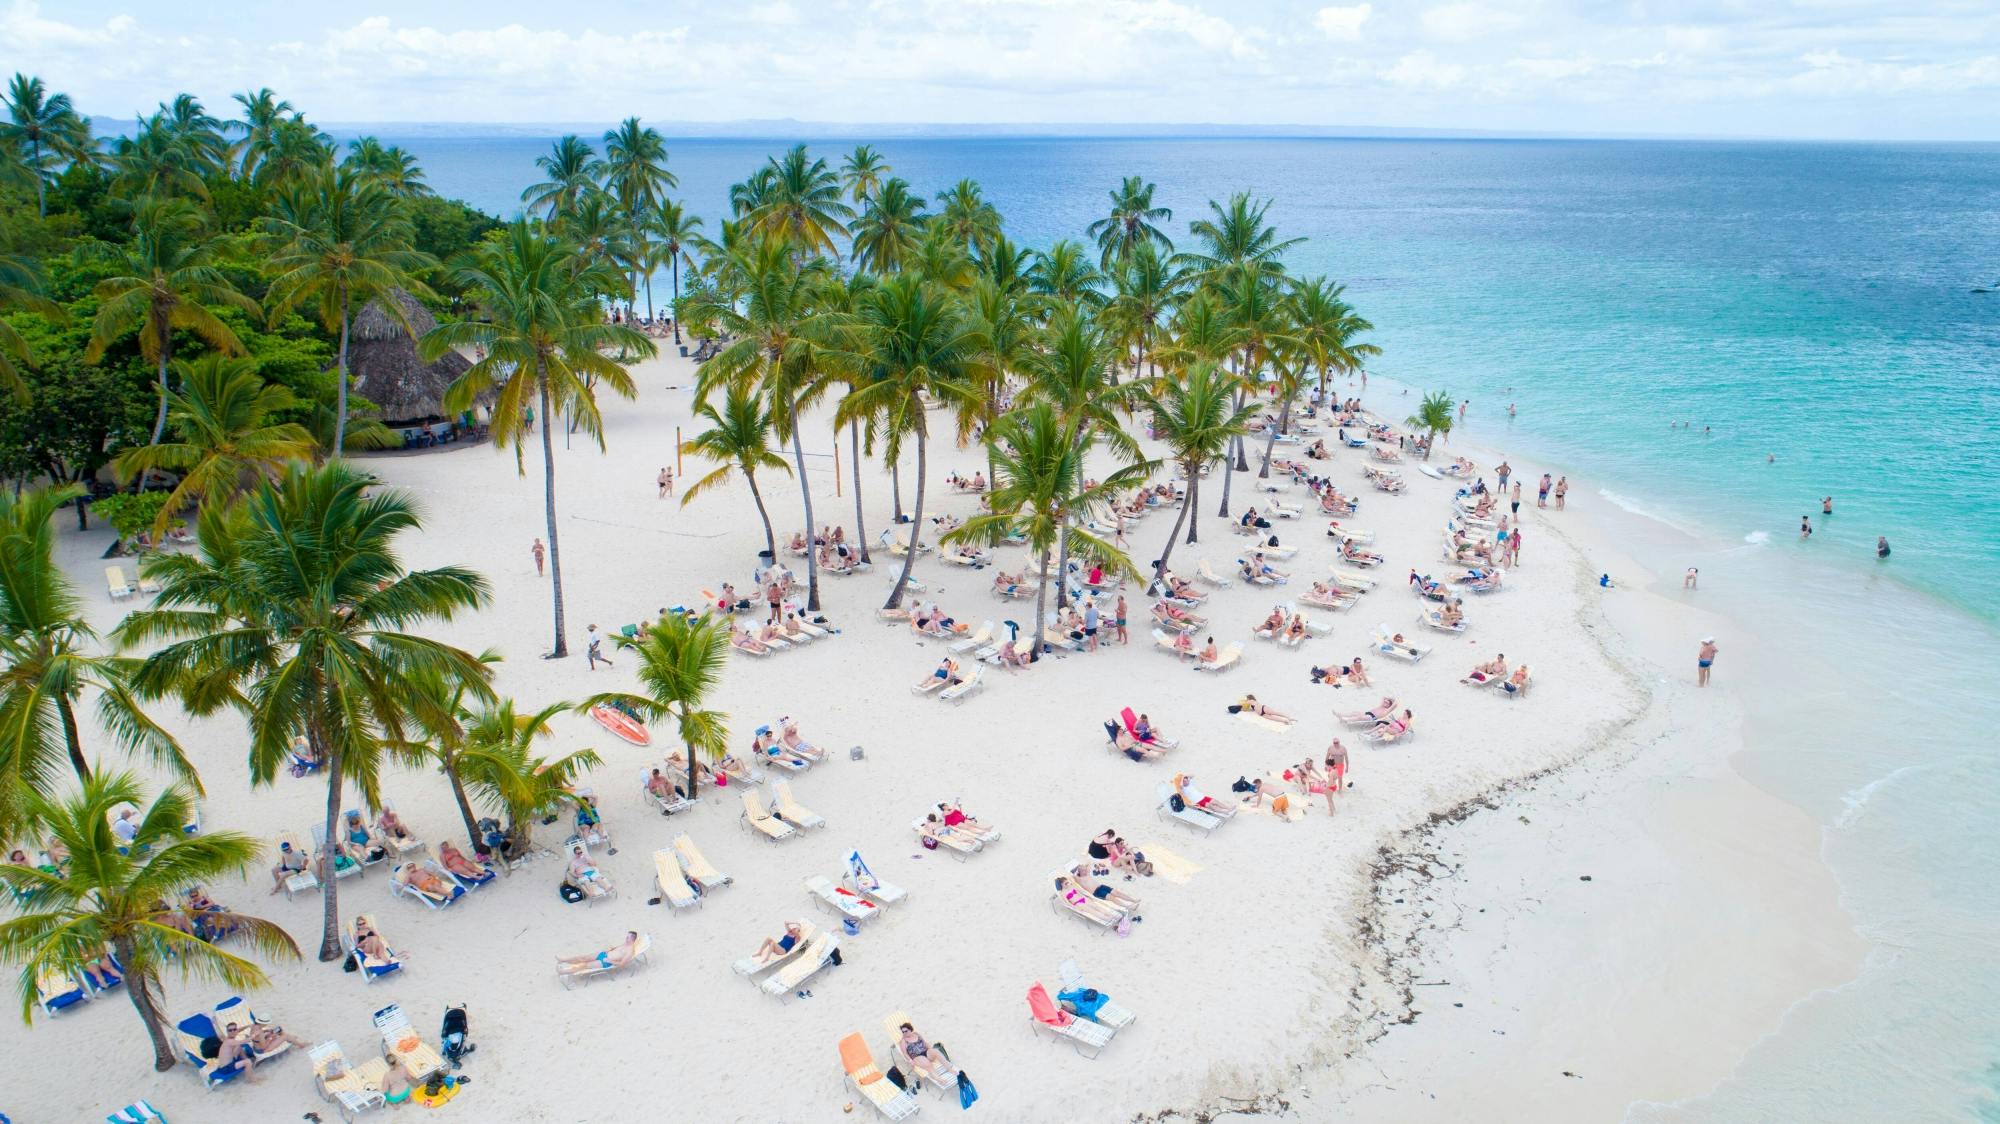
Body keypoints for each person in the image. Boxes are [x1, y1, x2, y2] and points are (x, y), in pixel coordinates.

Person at [558, 931, 643, 975]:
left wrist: (610, 961)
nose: (626, 938)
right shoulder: (626, 944)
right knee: (583, 957)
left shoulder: (630, 951)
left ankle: (564, 972)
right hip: (604, 954)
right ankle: (564, 960)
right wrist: (610, 949)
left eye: (627, 937)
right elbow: (617, 949)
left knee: (584, 965)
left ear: (632, 939)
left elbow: (622, 964)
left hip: (605, 962)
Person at [1172, 772, 1236, 817]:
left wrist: (1183, 775)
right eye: (1184, 781)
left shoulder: (1190, 783)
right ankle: (1224, 811)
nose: (1187, 781)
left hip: (1203, 797)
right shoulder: (1183, 788)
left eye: (1187, 780)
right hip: (1198, 801)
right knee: (1211, 806)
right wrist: (1182, 779)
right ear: (1182, 782)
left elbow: (1193, 775)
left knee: (1216, 801)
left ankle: (1228, 808)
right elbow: (1180, 786)